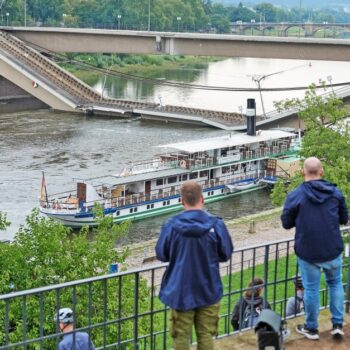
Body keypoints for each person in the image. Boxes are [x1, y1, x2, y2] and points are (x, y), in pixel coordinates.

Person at [156, 181, 233, 350]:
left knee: (181, 336)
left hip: (180, 288)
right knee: (205, 335)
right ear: (202, 199)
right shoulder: (216, 225)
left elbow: (161, 254)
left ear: (181, 201)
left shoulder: (171, 226)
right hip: (208, 286)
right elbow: (225, 253)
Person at [281, 157, 348, 340]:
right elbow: (344, 218)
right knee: (335, 284)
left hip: (308, 250)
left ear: (303, 172)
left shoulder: (295, 195)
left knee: (311, 288)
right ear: (322, 171)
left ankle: (312, 329)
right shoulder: (335, 193)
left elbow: (286, 223)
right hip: (332, 248)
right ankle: (337, 324)